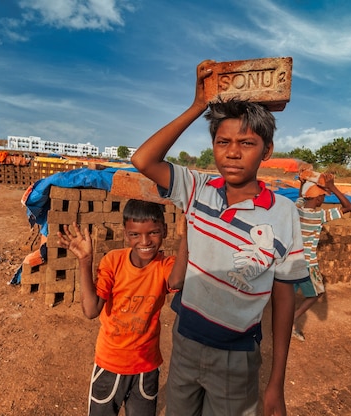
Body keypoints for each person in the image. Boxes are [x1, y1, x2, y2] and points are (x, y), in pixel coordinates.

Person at [131, 60, 308, 416]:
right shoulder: (197, 189)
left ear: (267, 151)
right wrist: (198, 106)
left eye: (247, 143)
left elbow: (284, 297)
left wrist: (276, 383)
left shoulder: (283, 213)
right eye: (222, 141)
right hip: (185, 341)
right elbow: (143, 159)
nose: (232, 152)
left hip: (236, 356)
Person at [56, 199, 187, 416]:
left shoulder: (166, 265)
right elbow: (91, 310)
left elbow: (176, 283)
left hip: (146, 366)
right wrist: (85, 260)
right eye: (135, 234)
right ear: (126, 234)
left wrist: (185, 238)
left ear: (164, 231)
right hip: (110, 364)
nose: (145, 241)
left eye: (153, 232)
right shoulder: (113, 261)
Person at [292, 172, 351, 342]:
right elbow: (348, 207)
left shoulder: (297, 209)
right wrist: (333, 187)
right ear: (317, 198)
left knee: (287, 297)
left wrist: (303, 184)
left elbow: (302, 197)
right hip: (308, 264)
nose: (324, 200)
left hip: (291, 262)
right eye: (323, 197)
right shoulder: (318, 216)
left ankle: (282, 324)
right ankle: (292, 320)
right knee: (317, 293)